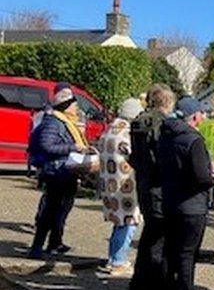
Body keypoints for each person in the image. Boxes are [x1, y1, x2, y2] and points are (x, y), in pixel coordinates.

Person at [158, 97, 214, 290]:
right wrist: (213, 179)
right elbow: (201, 177)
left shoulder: (165, 134)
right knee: (186, 257)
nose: (203, 117)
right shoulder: (193, 140)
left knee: (170, 254)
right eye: (201, 113)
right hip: (191, 206)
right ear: (194, 116)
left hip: (170, 202)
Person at [27, 83, 89, 258]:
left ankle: (55, 243)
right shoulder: (54, 122)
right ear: (66, 106)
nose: (77, 107)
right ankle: (37, 247)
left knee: (63, 209)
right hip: (56, 172)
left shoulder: (68, 122)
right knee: (50, 210)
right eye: (74, 104)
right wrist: (73, 147)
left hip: (67, 172)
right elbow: (47, 146)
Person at [129, 84, 176, 290]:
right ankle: (151, 286)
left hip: (143, 182)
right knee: (159, 237)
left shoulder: (139, 121)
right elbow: (162, 156)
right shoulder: (161, 124)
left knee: (149, 235)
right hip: (158, 185)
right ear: (168, 103)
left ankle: (138, 283)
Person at [98, 98, 144, 275]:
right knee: (128, 222)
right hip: (126, 186)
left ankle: (112, 258)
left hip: (109, 184)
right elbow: (137, 156)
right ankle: (118, 261)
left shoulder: (109, 131)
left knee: (118, 223)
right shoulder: (126, 134)